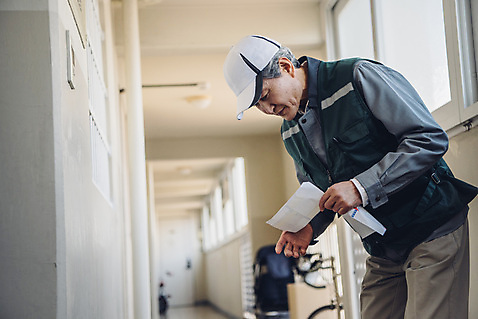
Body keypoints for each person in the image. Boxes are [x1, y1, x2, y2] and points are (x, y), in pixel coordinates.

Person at [223, 35, 478, 319]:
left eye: (266, 95)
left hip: (431, 224)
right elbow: (321, 191)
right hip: (384, 247)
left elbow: (428, 139)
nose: (268, 110)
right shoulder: (290, 132)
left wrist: (361, 188)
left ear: (286, 66)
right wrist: (308, 226)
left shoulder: (356, 77)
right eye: (257, 105)